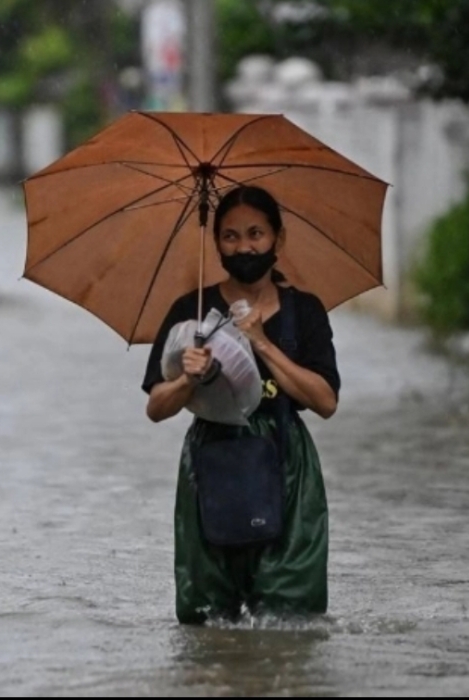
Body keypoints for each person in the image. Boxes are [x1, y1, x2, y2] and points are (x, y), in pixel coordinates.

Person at [142, 185, 341, 624]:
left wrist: (261, 343)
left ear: (278, 239)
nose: (244, 246)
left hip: (286, 463)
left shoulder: (304, 311)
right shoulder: (191, 310)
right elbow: (156, 407)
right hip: (211, 462)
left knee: (291, 619)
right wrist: (186, 379)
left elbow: (325, 401)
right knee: (208, 616)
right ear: (216, 244)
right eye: (230, 236)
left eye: (256, 233)